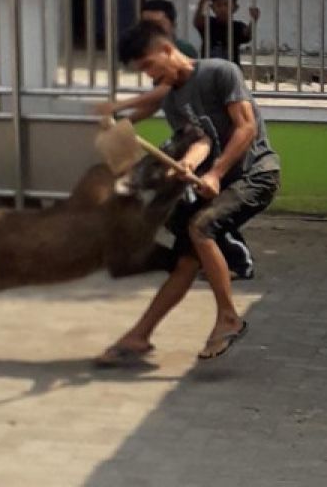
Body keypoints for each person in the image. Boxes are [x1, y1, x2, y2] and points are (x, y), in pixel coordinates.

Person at [96, 20, 280, 366]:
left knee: (200, 228)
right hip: (219, 184)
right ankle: (139, 336)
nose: (149, 75)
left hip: (256, 175)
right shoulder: (174, 100)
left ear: (167, 49)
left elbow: (246, 127)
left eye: (149, 65)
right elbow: (200, 141)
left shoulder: (219, 72)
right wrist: (187, 167)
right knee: (185, 261)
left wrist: (215, 172)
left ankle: (228, 317)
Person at [194, 0, 259, 64]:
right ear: (212, 8)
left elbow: (247, 35)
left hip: (230, 71)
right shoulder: (209, 23)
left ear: (235, 8)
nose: (222, 9)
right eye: (218, 5)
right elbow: (197, 22)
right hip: (209, 70)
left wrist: (253, 20)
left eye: (226, 4)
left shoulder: (236, 26)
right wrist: (201, 2)